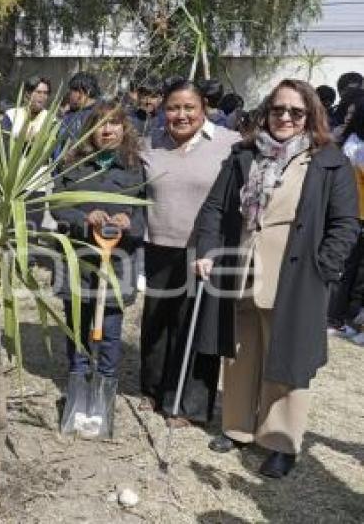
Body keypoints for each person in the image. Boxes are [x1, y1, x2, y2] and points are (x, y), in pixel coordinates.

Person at [194, 79, 358, 478]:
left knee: (289, 358)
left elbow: (345, 224)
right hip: (241, 269)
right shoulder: (244, 156)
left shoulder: (329, 161)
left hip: (297, 275)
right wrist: (207, 252)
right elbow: (215, 208)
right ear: (267, 112)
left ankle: (281, 441)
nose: (285, 117)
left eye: (295, 112)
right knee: (240, 351)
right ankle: (237, 427)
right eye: (278, 109)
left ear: (310, 116)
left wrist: (325, 268)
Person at [139, 77, 240, 428]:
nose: (180, 115)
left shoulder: (230, 144)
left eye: (189, 107)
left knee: (194, 325)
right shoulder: (148, 142)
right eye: (172, 108)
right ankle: (153, 388)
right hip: (158, 246)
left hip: (205, 251)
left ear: (204, 109)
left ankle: (187, 403)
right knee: (157, 322)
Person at [51, 101, 145, 382]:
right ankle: (78, 376)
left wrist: (129, 223)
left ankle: (106, 380)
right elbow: (56, 205)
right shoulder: (73, 163)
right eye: (100, 123)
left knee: (111, 330)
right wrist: (84, 218)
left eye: (114, 123)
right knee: (78, 326)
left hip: (117, 263)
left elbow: (143, 212)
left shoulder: (133, 167)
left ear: (124, 128)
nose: (107, 130)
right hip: (77, 260)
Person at [327, 94, 364, 341]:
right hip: (358, 215)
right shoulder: (357, 147)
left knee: (347, 269)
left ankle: (337, 317)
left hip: (346, 212)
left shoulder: (345, 140)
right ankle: (345, 318)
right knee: (355, 271)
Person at [54, 72, 100, 156]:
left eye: (71, 92)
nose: (69, 96)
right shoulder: (70, 114)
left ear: (80, 93)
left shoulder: (98, 115)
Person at [3, 75, 52, 141]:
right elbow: (4, 141)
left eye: (45, 93)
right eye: (38, 92)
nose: (42, 96)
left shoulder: (50, 119)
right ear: (28, 94)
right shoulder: (11, 115)